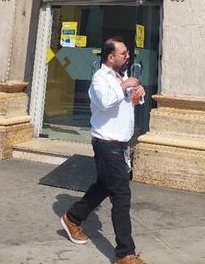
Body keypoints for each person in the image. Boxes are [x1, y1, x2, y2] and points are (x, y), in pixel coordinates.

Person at [60, 36, 146, 264]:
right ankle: (125, 253)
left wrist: (138, 93)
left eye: (127, 52)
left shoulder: (122, 76)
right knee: (121, 195)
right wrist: (124, 86)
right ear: (110, 57)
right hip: (106, 143)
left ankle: (73, 218)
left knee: (104, 186)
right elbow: (105, 102)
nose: (128, 56)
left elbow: (130, 102)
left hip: (121, 144)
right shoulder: (100, 78)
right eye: (123, 53)